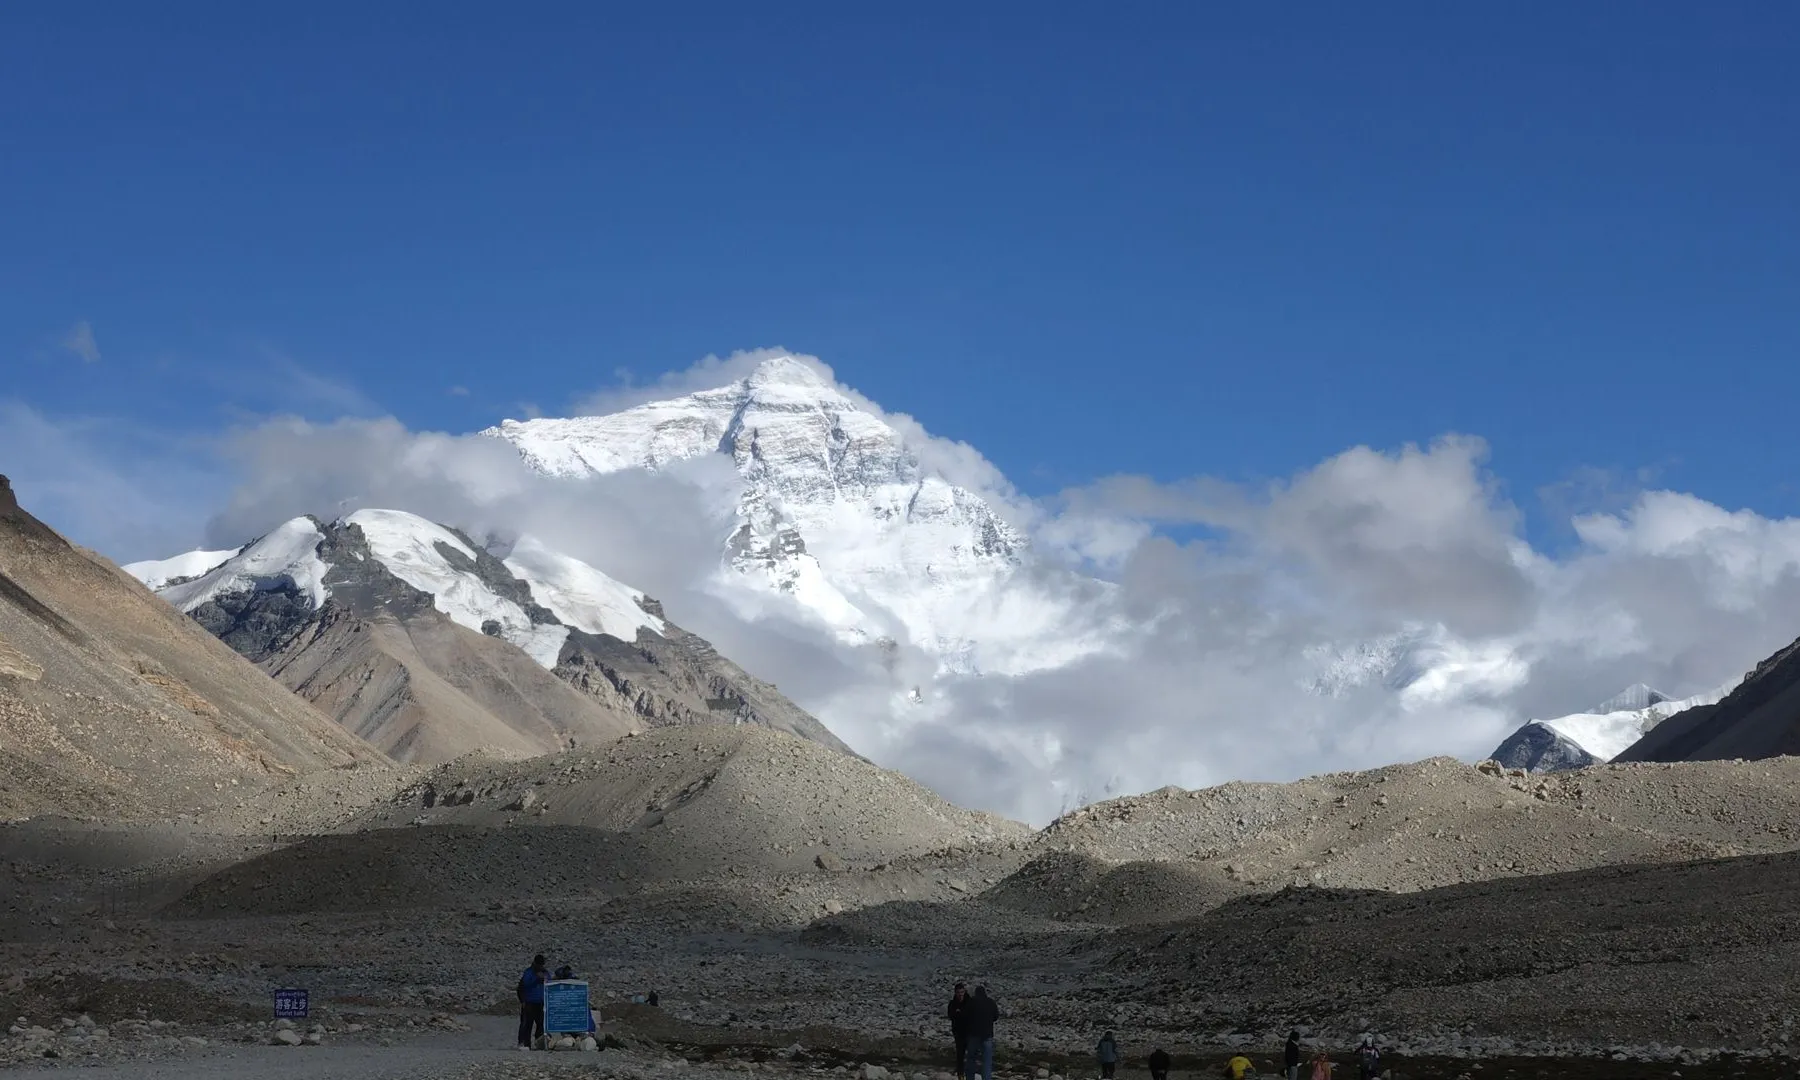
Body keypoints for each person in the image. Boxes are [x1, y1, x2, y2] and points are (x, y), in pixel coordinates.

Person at [962, 985, 1001, 1080]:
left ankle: (970, 1078)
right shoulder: (991, 1002)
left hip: (973, 1035)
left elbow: (964, 1016)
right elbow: (996, 1016)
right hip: (987, 1035)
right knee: (987, 1061)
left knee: (971, 1058)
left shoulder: (971, 1002)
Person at [516, 953, 549, 1050]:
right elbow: (525, 984)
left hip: (541, 1002)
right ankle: (525, 1043)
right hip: (529, 1002)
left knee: (541, 1024)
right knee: (527, 1024)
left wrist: (545, 979)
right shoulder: (529, 972)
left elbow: (549, 982)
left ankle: (539, 1043)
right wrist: (536, 979)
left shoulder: (545, 972)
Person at [948, 983, 971, 1079]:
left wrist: (959, 1014)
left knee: (971, 1054)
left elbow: (971, 1015)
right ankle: (960, 1075)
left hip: (970, 1032)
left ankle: (970, 1074)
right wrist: (959, 1014)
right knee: (960, 1055)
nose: (960, 994)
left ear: (964, 992)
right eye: (958, 992)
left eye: (962, 992)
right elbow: (951, 1015)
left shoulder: (970, 1002)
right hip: (958, 1033)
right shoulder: (952, 1003)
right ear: (955, 993)